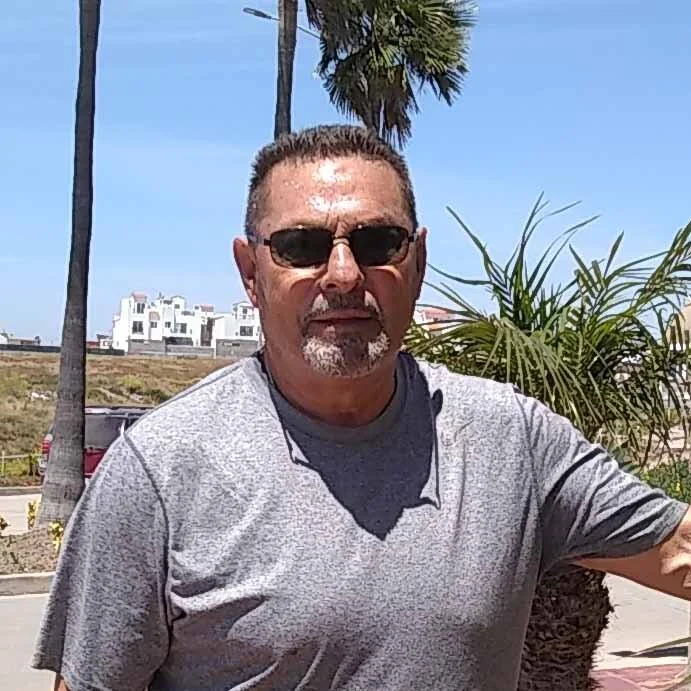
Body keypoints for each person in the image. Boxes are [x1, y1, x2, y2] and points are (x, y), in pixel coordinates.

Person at [35, 125, 690, 691]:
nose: (344, 274)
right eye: (301, 246)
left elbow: (674, 553)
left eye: (378, 243)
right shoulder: (158, 470)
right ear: (250, 272)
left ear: (418, 261)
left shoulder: (510, 437)